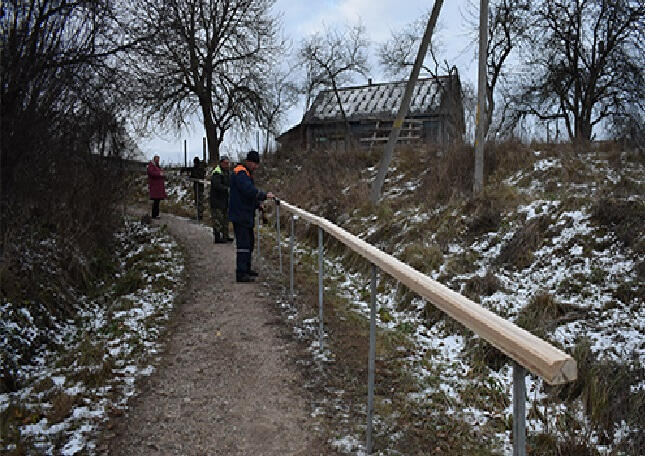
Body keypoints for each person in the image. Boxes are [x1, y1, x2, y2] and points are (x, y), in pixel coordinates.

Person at [228, 150, 275, 282]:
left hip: (245, 214)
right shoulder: (241, 173)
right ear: (249, 162)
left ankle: (247, 269)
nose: (256, 167)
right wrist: (264, 195)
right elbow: (248, 190)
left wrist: (257, 205)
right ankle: (241, 273)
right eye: (255, 164)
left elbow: (246, 195)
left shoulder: (245, 173)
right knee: (243, 245)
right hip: (240, 214)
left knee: (249, 243)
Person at [210, 155, 233, 243]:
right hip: (217, 200)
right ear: (221, 163)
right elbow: (217, 185)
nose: (227, 165)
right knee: (217, 219)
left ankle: (225, 236)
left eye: (228, 163)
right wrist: (227, 189)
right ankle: (217, 237)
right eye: (225, 163)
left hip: (225, 200)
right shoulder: (217, 172)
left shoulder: (228, 172)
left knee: (225, 219)